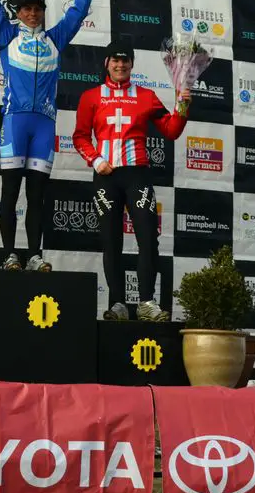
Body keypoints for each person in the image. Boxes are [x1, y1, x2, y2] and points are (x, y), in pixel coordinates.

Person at [0, 0, 96, 272]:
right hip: (15, 122)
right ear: (17, 12)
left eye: (37, 9)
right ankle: (10, 256)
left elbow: (78, 11)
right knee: (10, 193)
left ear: (43, 12)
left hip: (44, 125)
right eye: (26, 9)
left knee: (37, 197)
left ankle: (34, 255)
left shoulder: (55, 39)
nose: (32, 14)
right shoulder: (7, 35)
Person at [72, 39, 191, 322]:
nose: (120, 65)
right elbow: (79, 136)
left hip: (136, 174)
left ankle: (147, 302)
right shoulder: (91, 96)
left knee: (148, 238)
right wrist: (96, 160)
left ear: (132, 65)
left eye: (125, 61)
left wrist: (183, 107)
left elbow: (171, 131)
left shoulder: (146, 95)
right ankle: (117, 304)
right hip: (106, 175)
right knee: (111, 241)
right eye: (115, 60)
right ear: (107, 64)